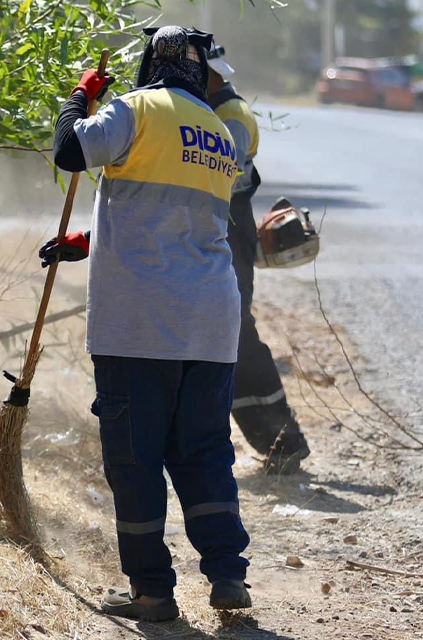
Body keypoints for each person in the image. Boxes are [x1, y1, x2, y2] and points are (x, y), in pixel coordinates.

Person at [42, 25, 253, 621]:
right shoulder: (217, 133)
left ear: (149, 66)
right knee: (205, 453)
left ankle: (153, 593)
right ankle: (227, 577)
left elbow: (69, 152)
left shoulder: (134, 108)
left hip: (139, 324)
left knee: (136, 461)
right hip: (211, 323)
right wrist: (89, 240)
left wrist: (78, 100)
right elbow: (178, 216)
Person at [204, 40, 311, 474]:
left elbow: (215, 179)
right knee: (229, 334)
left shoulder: (229, 115)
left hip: (227, 230)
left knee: (235, 335)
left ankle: (282, 440)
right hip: (224, 230)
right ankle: (276, 440)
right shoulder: (218, 109)